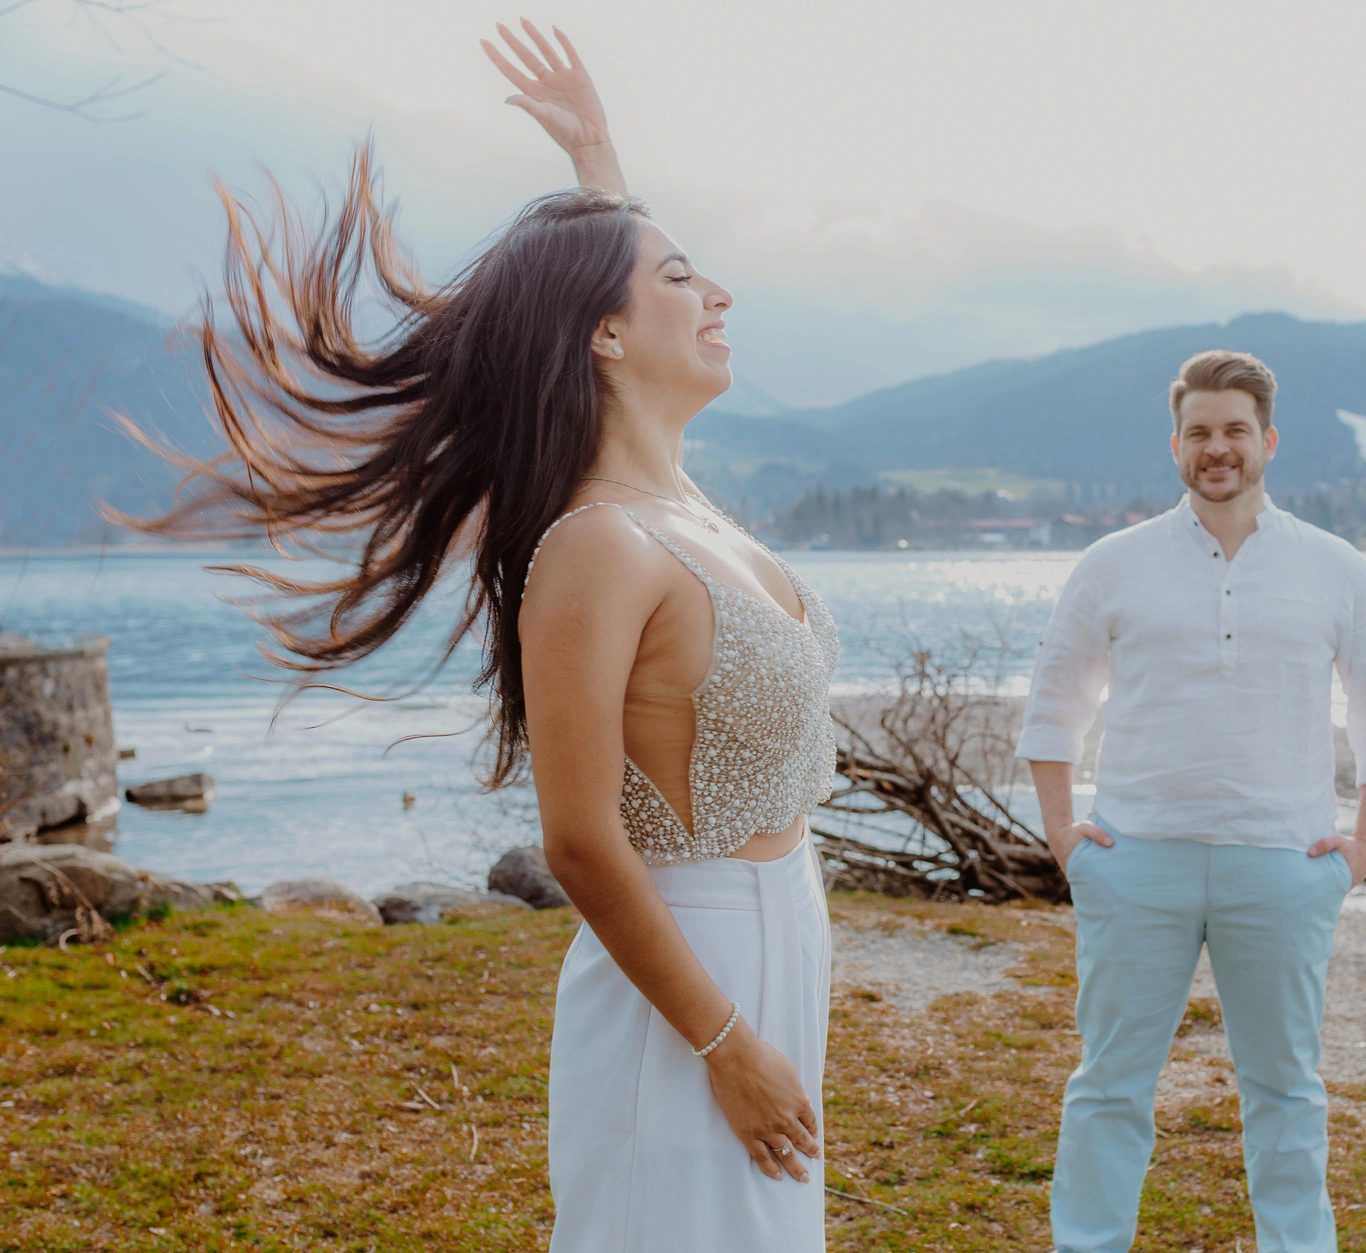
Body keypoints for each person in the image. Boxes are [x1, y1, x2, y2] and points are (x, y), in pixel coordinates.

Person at [130, 21, 838, 1250]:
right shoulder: (595, 549)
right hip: (691, 976)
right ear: (605, 337)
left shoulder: (680, 506)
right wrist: (725, 1044)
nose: (718, 293)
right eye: (681, 277)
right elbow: (575, 839)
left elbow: (591, 293)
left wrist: (603, 168)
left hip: (783, 936)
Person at [1017, 349, 1366, 1252]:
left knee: (1285, 1088)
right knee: (1110, 1085)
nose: (1218, 448)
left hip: (1281, 866)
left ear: (1268, 439)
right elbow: (1053, 711)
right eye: (1199, 432)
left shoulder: (1336, 568)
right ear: (1175, 445)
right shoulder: (1112, 564)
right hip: (1136, 861)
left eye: (1235, 430)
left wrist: (1359, 850)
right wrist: (1064, 839)